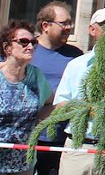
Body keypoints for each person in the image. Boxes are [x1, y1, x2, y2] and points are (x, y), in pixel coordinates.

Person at [53, 8, 105, 175]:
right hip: (78, 148)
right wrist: (89, 109)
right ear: (92, 30)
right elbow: (60, 104)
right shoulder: (77, 65)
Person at [32, 2, 83, 175]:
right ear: (45, 26)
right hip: (30, 135)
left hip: (60, 137)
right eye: (64, 23)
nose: (69, 28)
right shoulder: (28, 50)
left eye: (70, 23)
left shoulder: (75, 55)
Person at [0, 20, 54, 175]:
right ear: (7, 47)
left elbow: (50, 103)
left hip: (24, 164)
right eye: (23, 42)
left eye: (33, 42)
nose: (30, 47)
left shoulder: (36, 76)